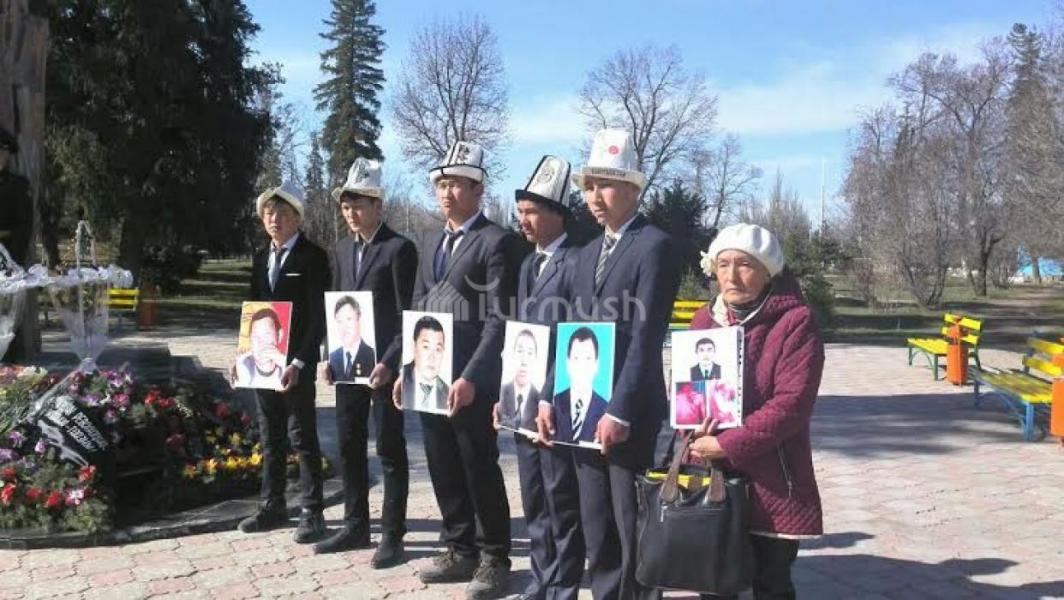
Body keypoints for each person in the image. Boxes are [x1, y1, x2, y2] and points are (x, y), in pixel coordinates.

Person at [537, 129, 682, 600]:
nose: (594, 197)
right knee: (596, 522)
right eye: (588, 186)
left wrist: (619, 409)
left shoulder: (654, 246)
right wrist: (549, 396)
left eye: (605, 185)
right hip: (582, 410)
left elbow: (646, 336)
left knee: (629, 519)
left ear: (634, 188)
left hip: (628, 413)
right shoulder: (584, 255)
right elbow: (568, 331)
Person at [392, 140, 526, 600]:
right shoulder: (430, 240)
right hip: (429, 375)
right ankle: (459, 547)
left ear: (478, 190)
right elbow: (416, 307)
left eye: (456, 185)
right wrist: (406, 367)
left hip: (472, 380)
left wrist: (471, 376)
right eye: (441, 185)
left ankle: (494, 557)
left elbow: (500, 317)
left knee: (477, 465)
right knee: (442, 464)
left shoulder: (497, 241)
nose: (446, 193)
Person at [687, 223, 825, 600]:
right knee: (712, 581)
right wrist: (691, 427)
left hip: (772, 477)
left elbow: (792, 404)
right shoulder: (703, 321)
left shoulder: (795, 322)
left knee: (770, 581)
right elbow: (687, 391)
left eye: (745, 264)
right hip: (711, 472)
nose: (732, 276)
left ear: (768, 272)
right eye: (723, 264)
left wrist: (728, 444)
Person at [313, 159, 416, 567]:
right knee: (349, 442)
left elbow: (408, 314)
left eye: (359, 205)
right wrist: (326, 353)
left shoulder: (399, 249)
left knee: (389, 447)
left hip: (384, 369)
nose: (351, 213)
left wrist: (391, 362)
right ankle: (355, 525)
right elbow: (336, 305)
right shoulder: (341, 250)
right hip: (347, 366)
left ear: (378, 205)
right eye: (345, 206)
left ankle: (392, 534)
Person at [493, 155, 585, 600]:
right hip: (522, 399)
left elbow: (573, 337)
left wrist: (549, 393)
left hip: (556, 402)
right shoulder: (529, 264)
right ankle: (541, 577)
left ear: (557, 214)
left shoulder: (577, 262)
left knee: (559, 496)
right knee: (532, 495)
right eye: (520, 212)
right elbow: (519, 331)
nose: (522, 220)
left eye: (531, 212)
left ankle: (564, 584)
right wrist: (506, 392)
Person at [233, 181, 331, 544]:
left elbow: (319, 317)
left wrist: (301, 362)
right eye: (269, 213)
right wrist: (241, 357)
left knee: (301, 437)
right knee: (270, 437)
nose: (275, 219)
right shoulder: (261, 258)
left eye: (283, 214)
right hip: (264, 365)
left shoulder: (312, 257)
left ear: (297, 218)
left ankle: (312, 511)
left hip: (295, 368)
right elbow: (252, 310)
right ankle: (272, 505)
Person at [552, 327, 609, 444]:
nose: (582, 366)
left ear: (596, 364)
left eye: (588, 358)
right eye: (576, 358)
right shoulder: (555, 401)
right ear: (568, 363)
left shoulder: (605, 408)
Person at [400, 315, 450, 413]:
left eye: (438, 349)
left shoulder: (447, 392)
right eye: (426, 347)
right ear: (414, 347)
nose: (432, 357)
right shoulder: (400, 378)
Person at [497, 329, 540, 430]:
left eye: (530, 353)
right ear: (513, 354)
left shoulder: (540, 399)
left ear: (536, 358)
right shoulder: (502, 391)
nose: (524, 361)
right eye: (520, 351)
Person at [327, 296, 376, 382]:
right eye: (340, 321)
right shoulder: (332, 357)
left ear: (359, 320)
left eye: (349, 319)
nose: (344, 327)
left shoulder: (372, 355)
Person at [235, 307, 286, 389]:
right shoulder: (242, 366)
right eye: (255, 336)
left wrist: (286, 365)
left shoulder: (287, 367)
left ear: (279, 335)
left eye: (267, 334)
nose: (261, 342)